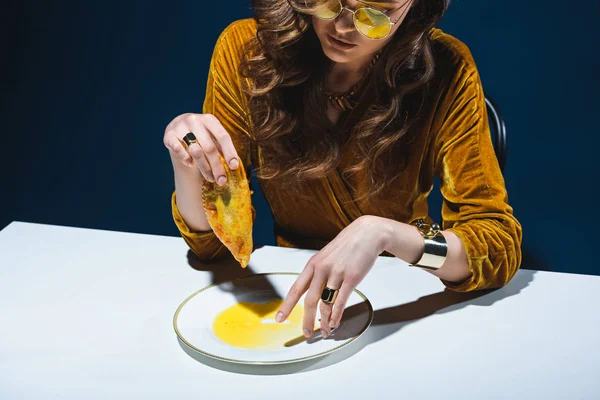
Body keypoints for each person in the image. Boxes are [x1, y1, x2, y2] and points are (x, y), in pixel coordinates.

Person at [163, 0, 522, 339]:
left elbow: (497, 246)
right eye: (329, 2)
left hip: (399, 292)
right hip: (291, 293)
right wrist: (188, 162)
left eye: (376, 13)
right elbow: (215, 248)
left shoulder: (446, 67)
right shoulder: (247, 51)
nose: (343, 26)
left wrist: (385, 235)